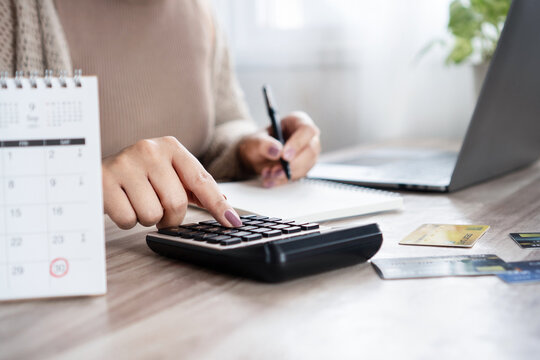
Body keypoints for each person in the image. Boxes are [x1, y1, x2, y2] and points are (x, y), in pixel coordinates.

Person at [0, 0, 321, 229]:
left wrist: (248, 148)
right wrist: (79, 183)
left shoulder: (201, 11)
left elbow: (225, 119)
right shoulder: (15, 12)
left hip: (180, 269)